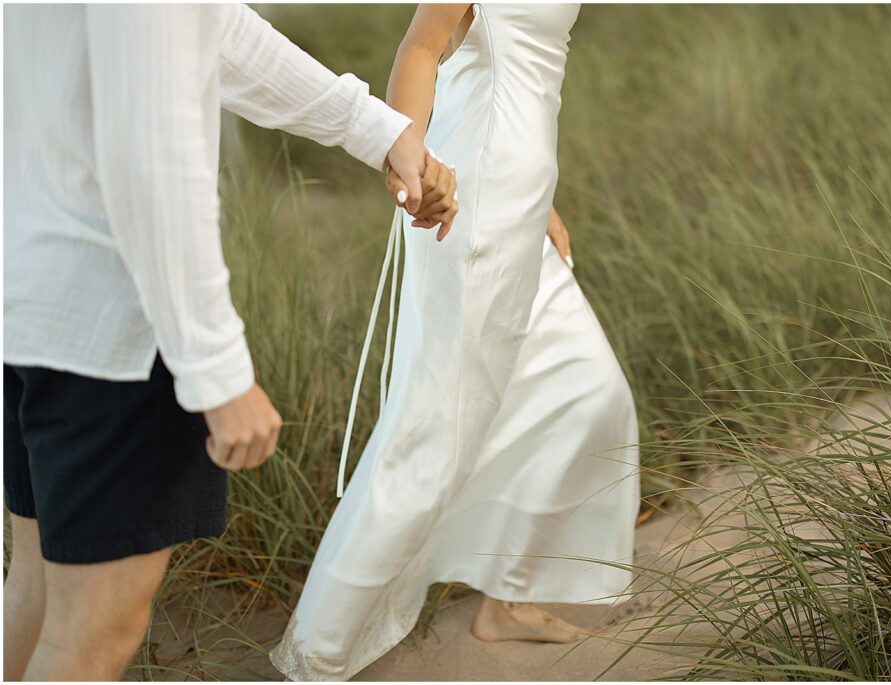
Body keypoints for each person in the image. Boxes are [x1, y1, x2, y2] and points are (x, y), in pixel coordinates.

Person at [2, 4, 455, 681]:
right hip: (120, 321)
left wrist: (380, 131)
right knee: (93, 635)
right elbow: (152, 148)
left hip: (38, 295)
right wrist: (216, 371)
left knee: (37, 594)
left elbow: (214, 29)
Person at [271, 4, 640, 680]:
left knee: (586, 389)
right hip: (474, 219)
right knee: (432, 434)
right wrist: (410, 170)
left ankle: (508, 597)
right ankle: (315, 658)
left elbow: (517, 76)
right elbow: (421, 48)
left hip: (521, 209)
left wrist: (544, 200)